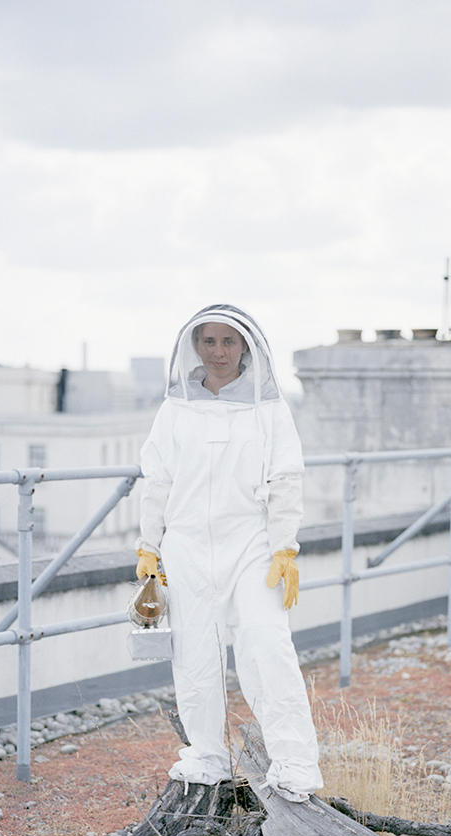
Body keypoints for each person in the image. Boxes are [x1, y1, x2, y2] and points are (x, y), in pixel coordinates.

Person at [135, 304, 323, 802]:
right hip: (187, 545)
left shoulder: (269, 409)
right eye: (209, 341)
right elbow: (157, 479)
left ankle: (296, 763)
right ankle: (207, 755)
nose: (219, 353)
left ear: (247, 347)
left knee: (267, 646)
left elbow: (285, 479)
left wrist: (284, 547)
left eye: (229, 342)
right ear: (194, 346)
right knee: (194, 652)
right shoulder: (175, 409)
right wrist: (148, 545)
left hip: (252, 545)